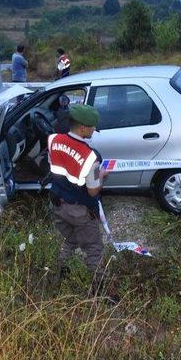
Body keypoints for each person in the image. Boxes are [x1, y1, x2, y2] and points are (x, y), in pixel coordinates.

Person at [48, 104, 109, 288]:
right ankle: (98, 290)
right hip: (79, 210)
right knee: (93, 248)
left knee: (70, 239)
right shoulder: (91, 157)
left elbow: (58, 164)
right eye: (92, 128)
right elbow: (92, 191)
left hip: (57, 203)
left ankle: (59, 275)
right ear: (83, 128)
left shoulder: (53, 139)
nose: (94, 131)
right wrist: (101, 175)